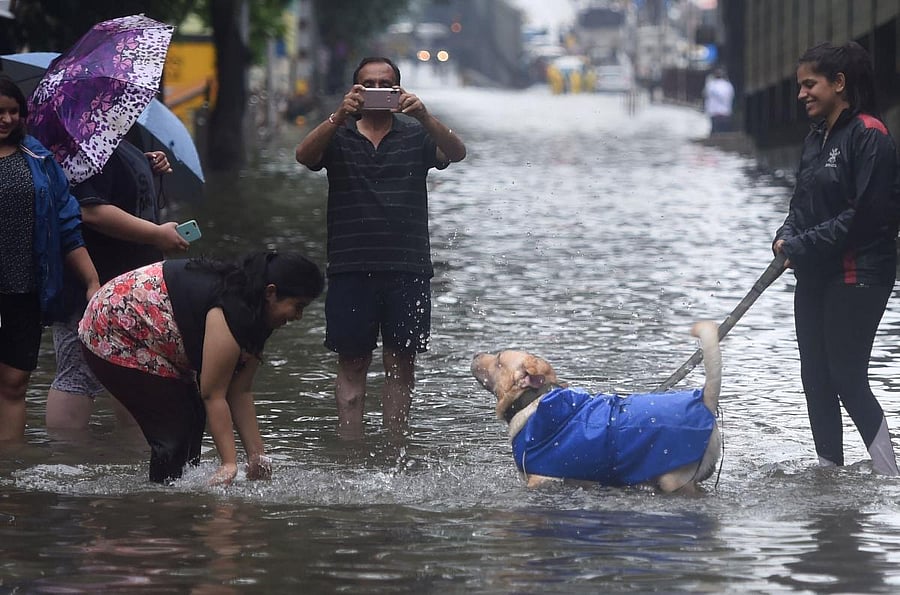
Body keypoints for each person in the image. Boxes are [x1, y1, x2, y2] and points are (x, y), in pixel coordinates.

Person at [294, 56, 466, 439]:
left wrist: (424, 116)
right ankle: (351, 449)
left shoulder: (417, 135)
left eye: (384, 85)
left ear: (398, 91)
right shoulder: (337, 134)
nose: (375, 91)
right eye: (366, 84)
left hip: (408, 267)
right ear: (354, 90)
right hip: (350, 265)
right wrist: (338, 114)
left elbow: (456, 152)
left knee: (401, 363)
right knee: (352, 363)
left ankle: (394, 447)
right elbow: (304, 156)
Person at [77, 251, 325, 485]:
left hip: (151, 336)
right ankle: (162, 505)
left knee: (193, 417)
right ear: (271, 293)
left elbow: (240, 392)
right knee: (175, 427)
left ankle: (182, 503)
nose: (298, 317)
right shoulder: (232, 308)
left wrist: (257, 457)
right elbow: (213, 393)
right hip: (112, 328)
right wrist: (229, 463)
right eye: (298, 307)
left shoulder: (258, 312)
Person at [772, 41, 900, 475]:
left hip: (859, 272)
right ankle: (829, 473)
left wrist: (802, 244)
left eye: (810, 84)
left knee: (847, 375)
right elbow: (801, 205)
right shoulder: (815, 139)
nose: (801, 94)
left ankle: (889, 476)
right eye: (799, 85)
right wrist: (785, 236)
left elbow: (865, 217)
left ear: (839, 83)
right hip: (815, 272)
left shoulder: (869, 135)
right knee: (816, 378)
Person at [44, 138, 190, 430]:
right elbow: (91, 209)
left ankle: (131, 461)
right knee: (78, 373)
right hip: (92, 281)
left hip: (132, 283)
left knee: (137, 369)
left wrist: (145, 165)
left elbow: (117, 190)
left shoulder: (115, 141)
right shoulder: (81, 147)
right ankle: (64, 461)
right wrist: (156, 234)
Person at [0, 76, 100, 441]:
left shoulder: (38, 158)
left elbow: (68, 223)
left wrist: (92, 283)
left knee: (14, 382)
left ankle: (9, 475)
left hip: (24, 289)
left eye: (13, 111)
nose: (7, 119)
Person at [702, 68, 735, 133]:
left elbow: (705, 94)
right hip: (725, 112)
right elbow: (731, 96)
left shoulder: (711, 85)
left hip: (714, 112)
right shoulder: (728, 85)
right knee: (724, 130)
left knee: (715, 130)